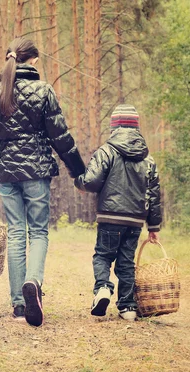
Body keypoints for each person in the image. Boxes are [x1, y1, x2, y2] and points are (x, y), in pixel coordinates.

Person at [0, 38, 86, 327]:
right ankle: (33, 283)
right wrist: (79, 172)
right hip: (37, 173)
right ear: (33, 61)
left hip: (6, 176)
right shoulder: (43, 91)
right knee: (37, 232)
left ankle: (17, 304)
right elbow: (60, 137)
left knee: (16, 234)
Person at [74, 104, 162, 321]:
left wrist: (79, 182)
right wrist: (153, 226)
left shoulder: (106, 151)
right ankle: (128, 306)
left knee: (103, 255)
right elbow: (153, 193)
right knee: (126, 262)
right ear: (136, 127)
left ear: (114, 127)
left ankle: (103, 288)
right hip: (135, 220)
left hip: (110, 216)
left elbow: (92, 181)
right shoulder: (147, 158)